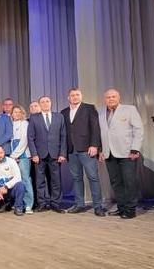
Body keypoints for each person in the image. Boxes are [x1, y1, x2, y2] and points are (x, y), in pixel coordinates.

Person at [98, 88, 144, 219]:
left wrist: (135, 149)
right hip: (109, 153)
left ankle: (130, 210)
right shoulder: (100, 112)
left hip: (127, 152)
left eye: (113, 96)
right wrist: (101, 150)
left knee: (129, 181)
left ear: (119, 98)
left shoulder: (130, 109)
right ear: (105, 99)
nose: (111, 99)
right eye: (108, 97)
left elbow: (138, 129)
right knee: (116, 182)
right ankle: (121, 207)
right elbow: (100, 133)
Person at [61, 88, 105, 216]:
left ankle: (98, 206)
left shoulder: (89, 108)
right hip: (71, 150)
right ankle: (79, 204)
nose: (75, 97)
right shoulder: (64, 112)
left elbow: (95, 128)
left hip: (87, 149)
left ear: (81, 96)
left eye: (77, 95)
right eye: (72, 95)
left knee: (93, 177)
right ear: (68, 98)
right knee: (76, 178)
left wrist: (94, 145)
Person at [27, 96, 67, 213]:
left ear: (51, 103)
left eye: (47, 101)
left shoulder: (59, 117)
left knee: (56, 180)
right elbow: (30, 137)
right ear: (40, 104)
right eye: (42, 102)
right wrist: (34, 154)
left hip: (55, 154)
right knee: (40, 181)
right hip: (39, 155)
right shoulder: (34, 118)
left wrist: (62, 153)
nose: (45, 104)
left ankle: (55, 203)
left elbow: (63, 136)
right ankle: (42, 203)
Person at [0, 144, 26, 216]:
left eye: (1, 153)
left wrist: (6, 186)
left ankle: (18, 207)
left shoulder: (11, 161)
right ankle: (1, 205)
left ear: (4, 152)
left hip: (10, 189)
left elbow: (18, 177)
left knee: (20, 185)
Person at [10, 105, 34, 213]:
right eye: (15, 112)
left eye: (19, 112)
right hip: (12, 156)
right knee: (15, 180)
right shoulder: (10, 124)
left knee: (25, 179)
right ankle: (18, 203)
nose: (17, 114)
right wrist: (12, 156)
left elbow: (24, 141)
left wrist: (15, 155)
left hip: (23, 155)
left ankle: (28, 204)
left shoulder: (25, 123)